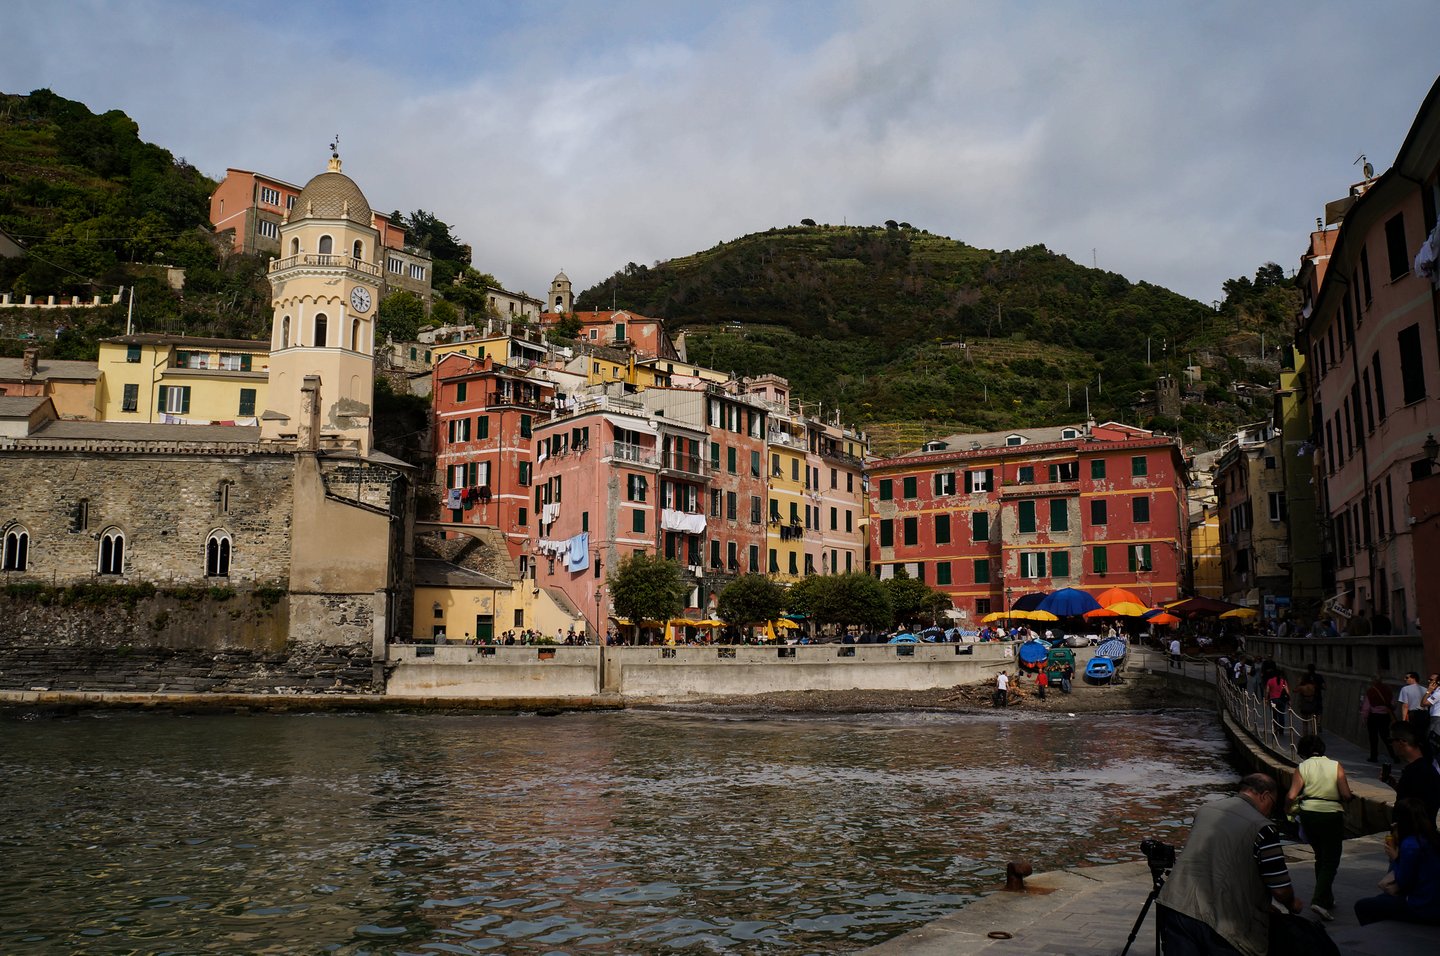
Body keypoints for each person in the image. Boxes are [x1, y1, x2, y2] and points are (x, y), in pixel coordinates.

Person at [1157, 773, 1303, 956]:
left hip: (1176, 905)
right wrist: (1292, 903)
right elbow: (1280, 888)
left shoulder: (1205, 810)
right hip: (1222, 923)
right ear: (1265, 795)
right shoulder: (1263, 827)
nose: (1270, 812)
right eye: (1272, 805)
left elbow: (1218, 862)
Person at [1284, 734, 1353, 920]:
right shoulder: (1335, 765)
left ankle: (1327, 897)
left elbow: (1291, 795)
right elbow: (1346, 794)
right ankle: (1318, 901)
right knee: (1331, 860)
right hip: (1331, 815)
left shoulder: (1302, 767)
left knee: (1320, 857)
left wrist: (1287, 810)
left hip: (1308, 815)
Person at [1352, 797, 1440, 926]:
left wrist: (1395, 857)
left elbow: (1403, 882)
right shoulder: (1432, 839)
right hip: (1433, 902)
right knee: (1380, 900)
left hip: (1422, 906)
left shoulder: (1410, 844)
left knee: (1362, 906)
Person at [1382, 726, 1440, 824]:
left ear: (1402, 742)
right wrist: (1396, 786)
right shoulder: (1424, 768)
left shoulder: (1417, 771)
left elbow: (1418, 806)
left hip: (1414, 833)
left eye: (1391, 740)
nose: (1391, 745)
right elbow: (1413, 795)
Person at [1361, 675, 1397, 763]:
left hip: (1374, 716)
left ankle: (1374, 757)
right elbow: (1393, 704)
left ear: (1373, 682)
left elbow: (1366, 707)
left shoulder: (1371, 691)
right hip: (1385, 716)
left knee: (1373, 737)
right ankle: (1394, 756)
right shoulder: (1388, 690)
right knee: (1386, 736)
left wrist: (1364, 718)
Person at [1398, 672, 1428, 753]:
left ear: (1413, 678)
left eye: (1407, 677)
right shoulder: (1425, 689)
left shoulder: (1405, 689)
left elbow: (1405, 705)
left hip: (1413, 714)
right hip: (1424, 714)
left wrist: (1404, 720)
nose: (1405, 679)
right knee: (1423, 736)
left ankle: (1414, 754)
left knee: (1412, 735)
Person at [1265, 669, 1291, 736]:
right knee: (1281, 715)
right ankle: (1281, 731)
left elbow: (1267, 691)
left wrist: (1266, 699)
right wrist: (1289, 701)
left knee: (1274, 715)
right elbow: (1287, 692)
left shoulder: (1270, 681)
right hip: (1282, 700)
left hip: (1273, 700)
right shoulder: (1283, 681)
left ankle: (1275, 729)